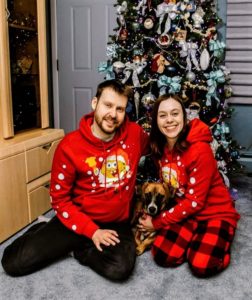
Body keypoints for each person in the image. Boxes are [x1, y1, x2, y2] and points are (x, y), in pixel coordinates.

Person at [1, 79, 149, 281]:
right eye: (107, 105)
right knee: (13, 263)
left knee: (119, 269)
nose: (113, 115)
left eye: (120, 109)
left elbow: (162, 144)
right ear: (94, 103)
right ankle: (47, 232)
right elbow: (59, 200)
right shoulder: (70, 146)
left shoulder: (134, 134)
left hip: (115, 222)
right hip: (77, 218)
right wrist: (91, 231)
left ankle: (78, 249)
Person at [138, 94, 240, 278]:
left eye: (175, 113)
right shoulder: (160, 147)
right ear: (156, 121)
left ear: (184, 118)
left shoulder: (200, 149)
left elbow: (195, 201)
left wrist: (157, 222)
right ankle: (196, 240)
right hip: (186, 213)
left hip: (213, 211)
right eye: (162, 115)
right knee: (162, 254)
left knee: (202, 265)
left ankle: (219, 237)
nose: (169, 120)